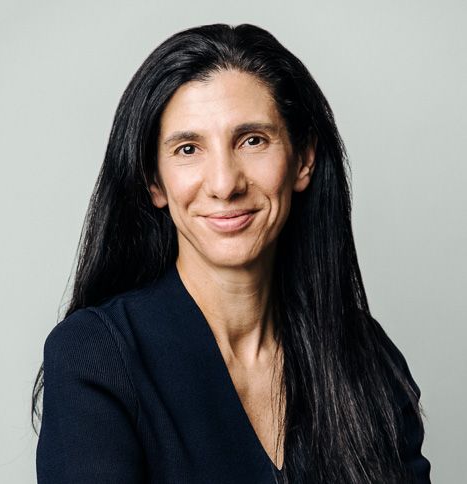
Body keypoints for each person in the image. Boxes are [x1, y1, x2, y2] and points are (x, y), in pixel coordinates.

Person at [32, 23, 431, 483]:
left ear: (303, 159)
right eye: (188, 149)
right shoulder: (96, 356)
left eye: (252, 140)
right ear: (155, 182)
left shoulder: (367, 356)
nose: (225, 184)